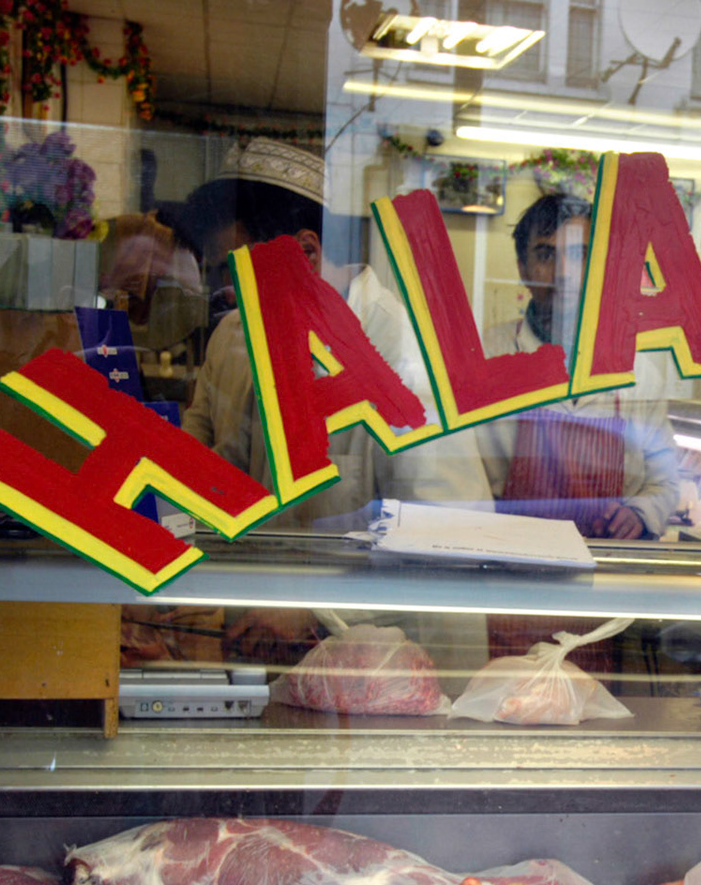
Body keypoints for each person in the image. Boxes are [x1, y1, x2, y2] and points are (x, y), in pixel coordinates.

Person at [180, 139, 491, 663]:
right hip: (247, 650)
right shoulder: (234, 337)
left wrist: (312, 605)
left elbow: (450, 543)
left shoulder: (408, 358)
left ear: (305, 253)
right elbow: (195, 475)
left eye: (236, 278)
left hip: (377, 673)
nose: (225, 301)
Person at [472, 193, 685, 664]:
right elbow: (458, 485)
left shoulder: (639, 367)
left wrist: (642, 512)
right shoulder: (485, 357)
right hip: (503, 590)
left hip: (598, 600)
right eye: (547, 254)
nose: (566, 273)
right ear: (523, 267)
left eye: (580, 254)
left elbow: (667, 479)